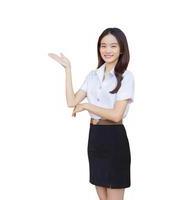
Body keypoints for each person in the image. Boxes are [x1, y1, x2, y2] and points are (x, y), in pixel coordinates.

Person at [48, 27, 135, 200]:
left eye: (113, 46)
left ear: (121, 49)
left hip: (114, 138)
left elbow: (116, 115)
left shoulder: (126, 76)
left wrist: (88, 106)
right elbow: (71, 102)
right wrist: (68, 69)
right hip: (95, 138)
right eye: (103, 46)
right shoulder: (93, 76)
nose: (107, 50)